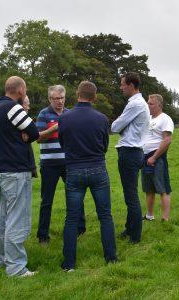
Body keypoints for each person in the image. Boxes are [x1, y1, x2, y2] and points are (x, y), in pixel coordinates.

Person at [0, 76, 57, 277]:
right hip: (16, 171)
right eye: (25, 90)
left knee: (2, 219)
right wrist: (25, 134)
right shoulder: (14, 108)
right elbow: (34, 133)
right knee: (17, 220)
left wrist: (23, 134)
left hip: (0, 171)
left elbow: (25, 134)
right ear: (20, 91)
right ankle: (16, 268)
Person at [59, 81, 117, 271]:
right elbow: (105, 145)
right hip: (98, 169)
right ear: (94, 97)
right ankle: (111, 258)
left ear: (77, 94)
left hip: (74, 170)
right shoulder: (101, 119)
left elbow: (62, 143)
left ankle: (69, 264)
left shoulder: (65, 118)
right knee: (105, 216)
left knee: (72, 218)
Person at [36, 85, 86, 244]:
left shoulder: (70, 114)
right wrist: (56, 128)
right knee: (47, 200)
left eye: (62, 98)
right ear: (50, 99)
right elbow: (38, 138)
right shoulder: (43, 114)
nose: (59, 101)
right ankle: (43, 235)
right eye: (56, 98)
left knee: (75, 196)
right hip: (49, 164)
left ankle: (80, 228)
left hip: (69, 163)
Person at [111, 72, 150, 244]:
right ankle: (130, 228)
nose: (121, 87)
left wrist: (121, 127)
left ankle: (135, 236)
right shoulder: (138, 103)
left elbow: (115, 126)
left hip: (129, 151)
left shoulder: (135, 104)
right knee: (130, 192)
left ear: (131, 85)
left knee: (131, 195)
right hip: (134, 151)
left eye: (123, 84)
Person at [142, 94, 174, 221]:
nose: (148, 105)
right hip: (145, 157)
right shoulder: (148, 118)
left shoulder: (165, 119)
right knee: (148, 189)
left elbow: (167, 140)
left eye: (151, 104)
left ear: (159, 105)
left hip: (157, 157)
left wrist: (154, 157)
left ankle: (165, 218)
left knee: (162, 188)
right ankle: (149, 216)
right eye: (148, 103)